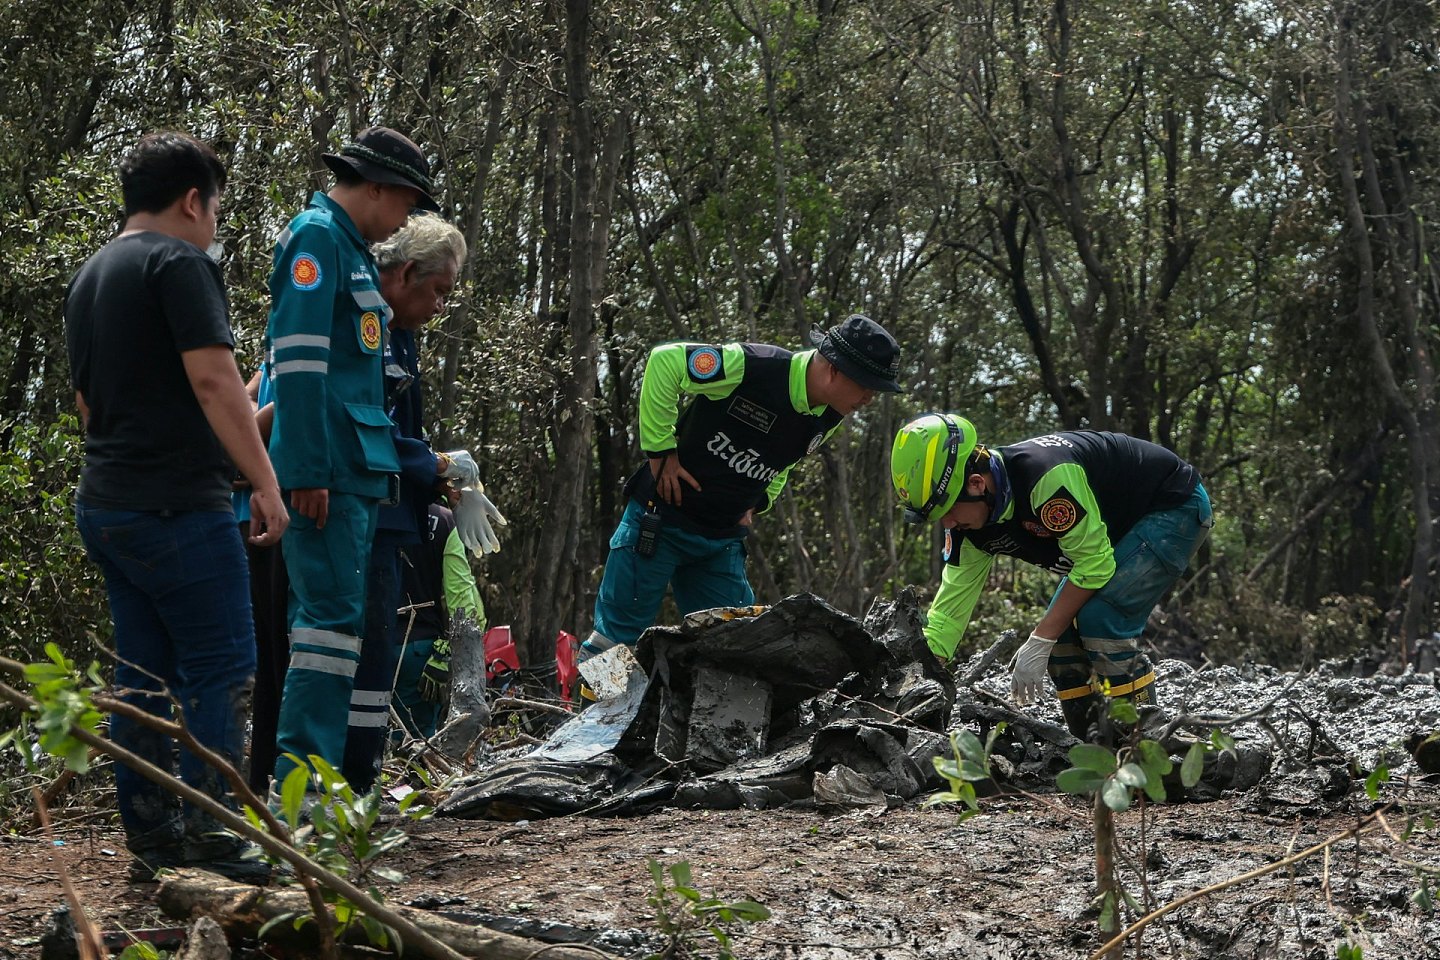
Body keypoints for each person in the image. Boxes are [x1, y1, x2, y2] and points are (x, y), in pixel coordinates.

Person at [64, 131, 289, 883]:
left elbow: (90, 404)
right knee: (222, 664)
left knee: (144, 675)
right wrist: (264, 482)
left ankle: (154, 839)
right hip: (176, 511)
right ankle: (216, 835)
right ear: (194, 199)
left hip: (107, 504)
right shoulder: (180, 263)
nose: (215, 225)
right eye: (216, 208)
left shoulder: (92, 274)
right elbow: (214, 384)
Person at [267, 126, 443, 790]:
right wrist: (306, 469)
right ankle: (300, 792)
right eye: (405, 204)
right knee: (325, 630)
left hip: (359, 472)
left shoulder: (352, 251)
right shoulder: (315, 239)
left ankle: (326, 791)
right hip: (330, 475)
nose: (406, 220)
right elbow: (300, 368)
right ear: (374, 188)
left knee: (338, 631)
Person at [579, 314, 903, 671]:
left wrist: (759, 501)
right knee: (614, 644)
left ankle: (704, 727)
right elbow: (665, 362)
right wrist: (660, 450)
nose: (870, 398)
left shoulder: (830, 415)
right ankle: (591, 727)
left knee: (736, 648)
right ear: (835, 370)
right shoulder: (753, 366)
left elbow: (787, 462)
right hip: (657, 524)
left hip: (719, 543)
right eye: (867, 386)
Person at [889, 415, 1213, 741]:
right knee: (1061, 635)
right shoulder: (968, 529)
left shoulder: (1043, 477)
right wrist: (915, 678)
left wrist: (1039, 638)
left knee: (1101, 617)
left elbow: (1095, 564)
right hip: (1108, 534)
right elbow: (947, 618)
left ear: (976, 483)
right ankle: (1095, 749)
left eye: (948, 509)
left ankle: (1147, 745)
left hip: (1172, 506)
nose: (947, 523)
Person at [338, 212, 503, 791]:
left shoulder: (401, 336)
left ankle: (363, 781)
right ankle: (336, 787)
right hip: (348, 510)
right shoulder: (362, 322)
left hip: (393, 517)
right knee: (343, 653)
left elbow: (401, 429)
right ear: (406, 273)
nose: (441, 306)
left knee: (377, 659)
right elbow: (361, 425)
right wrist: (432, 464)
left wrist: (441, 483)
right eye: (438, 292)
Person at [392, 502, 487, 740]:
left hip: (371, 644)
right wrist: (450, 652)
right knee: (415, 747)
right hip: (420, 654)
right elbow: (463, 603)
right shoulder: (443, 521)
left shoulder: (373, 507)